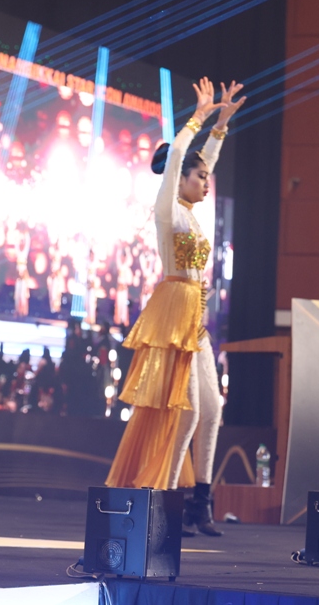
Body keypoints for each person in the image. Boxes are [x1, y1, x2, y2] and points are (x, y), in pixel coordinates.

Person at [106, 78, 245, 540]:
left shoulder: (190, 212)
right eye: (200, 176)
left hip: (195, 321)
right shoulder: (168, 210)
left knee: (212, 408)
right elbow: (182, 157)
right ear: (179, 177)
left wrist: (221, 126)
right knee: (185, 411)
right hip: (173, 314)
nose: (207, 181)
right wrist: (199, 118)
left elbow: (206, 160)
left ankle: (199, 504)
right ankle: (166, 503)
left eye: (207, 177)